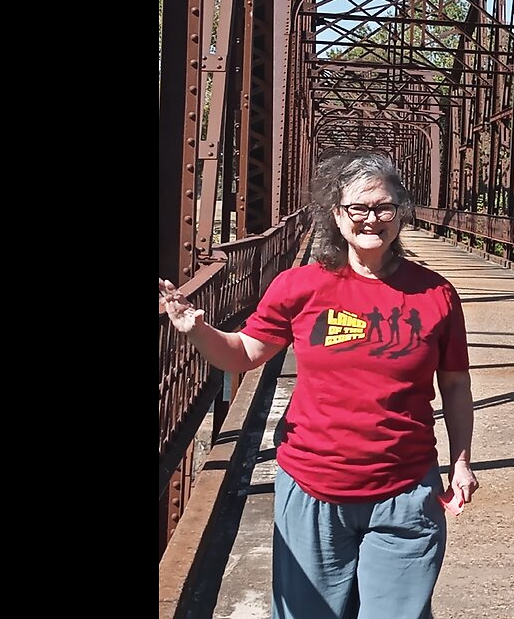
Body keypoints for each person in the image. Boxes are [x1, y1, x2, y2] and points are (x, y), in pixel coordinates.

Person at [159, 150, 478, 619]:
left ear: (401, 213)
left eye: (385, 207)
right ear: (336, 214)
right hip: (313, 485)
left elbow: (454, 386)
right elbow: (245, 353)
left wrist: (462, 462)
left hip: (406, 490)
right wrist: (198, 331)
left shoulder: (436, 294)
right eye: (359, 208)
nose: (372, 219)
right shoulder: (300, 286)